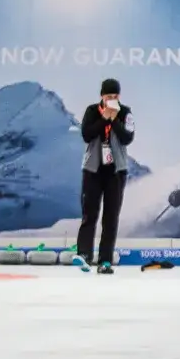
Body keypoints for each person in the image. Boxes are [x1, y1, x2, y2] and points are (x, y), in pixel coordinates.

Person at [77, 78, 135, 274]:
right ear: (102, 96)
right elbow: (86, 135)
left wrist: (114, 120)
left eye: (115, 96)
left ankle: (105, 260)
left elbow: (127, 138)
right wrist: (103, 119)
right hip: (93, 170)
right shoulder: (92, 111)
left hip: (116, 171)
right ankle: (84, 254)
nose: (112, 99)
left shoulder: (125, 112)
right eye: (108, 96)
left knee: (110, 217)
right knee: (89, 213)